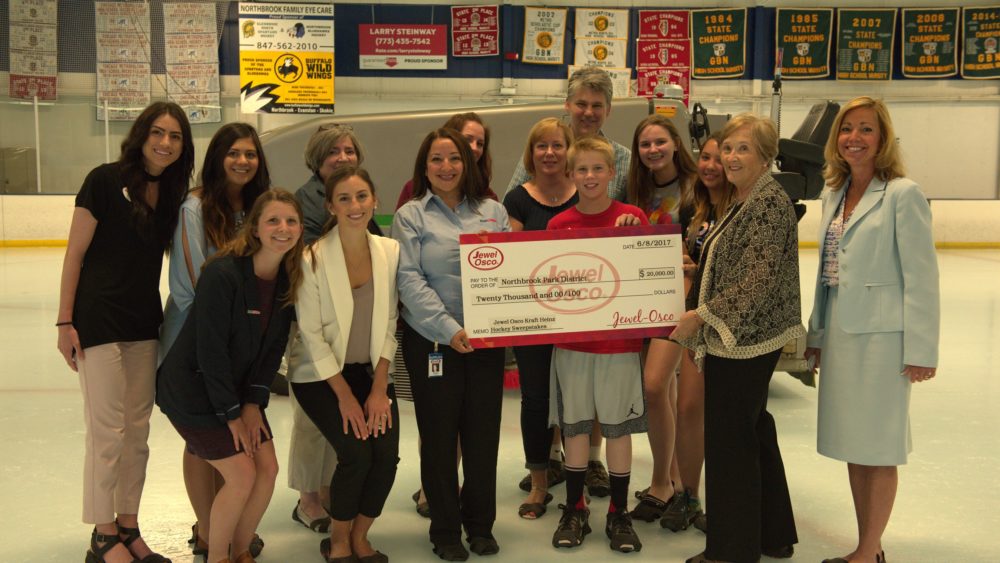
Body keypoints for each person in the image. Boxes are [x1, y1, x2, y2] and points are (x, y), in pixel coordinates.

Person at [56, 101, 194, 563]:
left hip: (142, 322)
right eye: (158, 132)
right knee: (107, 432)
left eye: (175, 137)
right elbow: (74, 255)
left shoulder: (174, 195)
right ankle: (102, 535)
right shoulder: (102, 180)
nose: (165, 143)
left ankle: (129, 526)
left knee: (137, 431)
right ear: (142, 134)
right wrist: (64, 321)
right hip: (97, 321)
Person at [805, 97, 939, 563]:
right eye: (846, 130)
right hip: (841, 332)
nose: (854, 138)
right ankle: (868, 547)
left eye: (865, 130)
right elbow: (826, 273)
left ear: (882, 139)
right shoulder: (834, 193)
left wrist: (921, 349)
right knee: (854, 444)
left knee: (878, 446)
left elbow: (922, 278)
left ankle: (867, 550)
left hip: (885, 340)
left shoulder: (903, 193)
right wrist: (817, 337)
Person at [672, 114, 803, 563]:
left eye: (743, 148)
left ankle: (731, 551)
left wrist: (700, 315)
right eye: (727, 148)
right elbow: (737, 265)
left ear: (767, 157)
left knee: (730, 442)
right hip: (745, 335)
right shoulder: (745, 198)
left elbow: (758, 279)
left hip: (745, 339)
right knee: (754, 431)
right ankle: (771, 534)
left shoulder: (767, 203)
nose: (730, 157)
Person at [157, 189, 304, 563]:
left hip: (236, 393)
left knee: (267, 468)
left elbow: (273, 350)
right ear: (255, 227)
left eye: (291, 221)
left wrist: (254, 402)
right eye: (273, 220)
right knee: (241, 474)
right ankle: (218, 556)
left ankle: (241, 550)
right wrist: (231, 413)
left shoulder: (288, 278)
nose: (282, 228)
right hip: (192, 390)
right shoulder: (223, 273)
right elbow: (211, 352)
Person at [393, 128, 510, 561]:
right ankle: (444, 530)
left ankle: (480, 525)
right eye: (437, 160)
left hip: (487, 340)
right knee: (439, 437)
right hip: (433, 343)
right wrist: (448, 328)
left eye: (455, 158)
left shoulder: (493, 212)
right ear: (424, 167)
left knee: (482, 437)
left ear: (469, 163)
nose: (446, 167)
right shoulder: (410, 216)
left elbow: (509, 272)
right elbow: (408, 279)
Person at [159, 122, 270, 558]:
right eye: (234, 153)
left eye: (250, 153)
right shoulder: (194, 207)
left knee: (229, 444)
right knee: (203, 441)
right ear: (218, 157)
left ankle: (224, 528)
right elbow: (190, 289)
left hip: (238, 350)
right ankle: (208, 530)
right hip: (193, 346)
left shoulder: (259, 208)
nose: (243, 161)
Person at [289, 165, 401, 563]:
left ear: (375, 201)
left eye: (361, 197)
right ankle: (337, 541)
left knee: (386, 453)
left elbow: (390, 323)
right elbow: (313, 336)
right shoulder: (312, 259)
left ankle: (359, 535)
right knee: (355, 452)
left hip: (369, 374)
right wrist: (346, 399)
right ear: (330, 207)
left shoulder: (389, 253)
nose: (355, 206)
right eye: (344, 199)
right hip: (321, 376)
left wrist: (377, 390)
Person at [547, 137, 648, 554]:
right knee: (574, 426)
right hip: (572, 346)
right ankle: (575, 508)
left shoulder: (633, 217)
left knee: (617, 430)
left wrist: (636, 236)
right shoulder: (558, 227)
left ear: (612, 173)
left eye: (597, 169)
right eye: (581, 170)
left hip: (619, 345)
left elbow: (649, 272)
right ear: (571, 175)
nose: (589, 177)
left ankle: (619, 514)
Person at [289, 123, 373, 534]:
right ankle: (307, 499)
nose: (342, 158)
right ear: (317, 161)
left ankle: (324, 489)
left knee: (335, 420)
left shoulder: (359, 195)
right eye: (332, 153)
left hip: (353, 327)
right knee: (310, 418)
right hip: (312, 325)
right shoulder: (303, 202)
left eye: (349, 150)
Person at [623, 115, 698, 526]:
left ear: (675, 144)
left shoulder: (694, 187)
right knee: (662, 392)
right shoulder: (636, 189)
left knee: (654, 386)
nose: (652, 150)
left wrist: (694, 260)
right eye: (644, 144)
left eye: (659, 142)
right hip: (642, 299)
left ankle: (661, 484)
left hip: (681, 300)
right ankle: (671, 477)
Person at [502, 118, 577, 520]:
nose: (549, 153)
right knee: (535, 399)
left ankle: (577, 477)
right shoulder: (517, 199)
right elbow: (510, 259)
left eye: (557, 145)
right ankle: (539, 483)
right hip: (532, 319)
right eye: (540, 147)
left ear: (569, 151)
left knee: (576, 400)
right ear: (531, 155)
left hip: (579, 318)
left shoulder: (584, 194)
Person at [668, 133, 734, 534]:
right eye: (706, 157)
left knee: (726, 416)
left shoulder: (745, 207)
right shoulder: (695, 205)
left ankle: (729, 502)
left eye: (721, 157)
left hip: (731, 325)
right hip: (698, 320)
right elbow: (689, 255)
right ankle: (688, 494)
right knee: (689, 407)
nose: (711, 165)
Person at [507, 66, 631, 204]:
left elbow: (634, 218)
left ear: (608, 110)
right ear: (567, 105)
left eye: (596, 106)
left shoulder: (624, 159)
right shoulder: (544, 152)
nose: (589, 112)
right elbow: (510, 207)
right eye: (581, 104)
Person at [396, 112, 498, 208]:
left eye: (480, 144)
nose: (474, 148)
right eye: (467, 140)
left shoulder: (487, 196)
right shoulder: (413, 189)